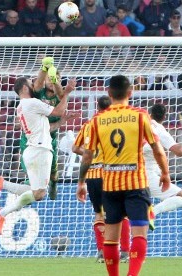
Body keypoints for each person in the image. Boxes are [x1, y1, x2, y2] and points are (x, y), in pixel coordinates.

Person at [77, 75, 170, 276]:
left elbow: (87, 155)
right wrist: (165, 173)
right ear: (130, 93)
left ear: (109, 94)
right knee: (140, 232)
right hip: (136, 182)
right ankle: (132, 275)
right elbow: (157, 149)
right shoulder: (140, 116)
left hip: (109, 185)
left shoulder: (96, 121)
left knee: (111, 236)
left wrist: (81, 182)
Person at [0, 58, 71, 235]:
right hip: (40, 149)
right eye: (30, 83)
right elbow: (58, 111)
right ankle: (2, 209)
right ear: (25, 88)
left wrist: (44, 68)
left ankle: (3, 187)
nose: (34, 84)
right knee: (40, 194)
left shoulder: (22, 105)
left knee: (34, 191)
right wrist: (68, 93)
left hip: (33, 149)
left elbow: (50, 120)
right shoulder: (32, 103)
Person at [17, 58, 76, 200]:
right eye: (48, 79)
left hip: (50, 139)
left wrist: (55, 79)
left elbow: (61, 93)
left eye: (54, 79)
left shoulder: (60, 97)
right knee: (33, 176)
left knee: (53, 174)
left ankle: (53, 183)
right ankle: (29, 190)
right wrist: (45, 69)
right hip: (33, 140)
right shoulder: (37, 94)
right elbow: (37, 84)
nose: (50, 81)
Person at [72, 95, 113, 263]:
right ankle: (123, 252)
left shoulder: (88, 124)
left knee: (98, 214)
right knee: (119, 213)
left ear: (97, 107)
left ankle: (102, 252)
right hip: (112, 174)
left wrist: (91, 154)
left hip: (93, 175)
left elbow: (75, 148)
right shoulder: (115, 123)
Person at [144, 103, 182, 221]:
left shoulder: (141, 125)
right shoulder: (159, 130)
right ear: (164, 117)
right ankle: (153, 212)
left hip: (126, 171)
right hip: (144, 175)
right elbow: (180, 151)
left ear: (150, 113)